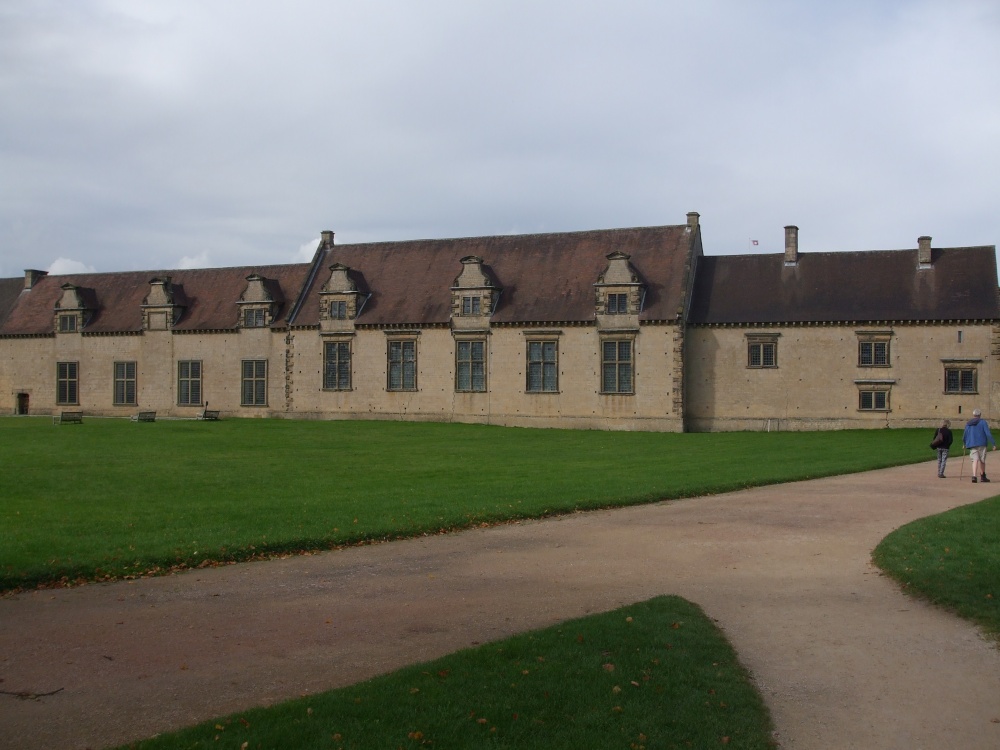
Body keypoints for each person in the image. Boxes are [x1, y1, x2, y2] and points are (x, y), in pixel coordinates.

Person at [962, 409, 996, 483]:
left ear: (973, 415)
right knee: (982, 460)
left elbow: (965, 434)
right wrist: (993, 443)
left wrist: (964, 443)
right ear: (980, 415)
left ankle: (974, 476)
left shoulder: (968, 423)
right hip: (982, 443)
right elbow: (988, 433)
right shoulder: (983, 422)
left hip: (972, 443)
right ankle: (983, 476)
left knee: (975, 460)